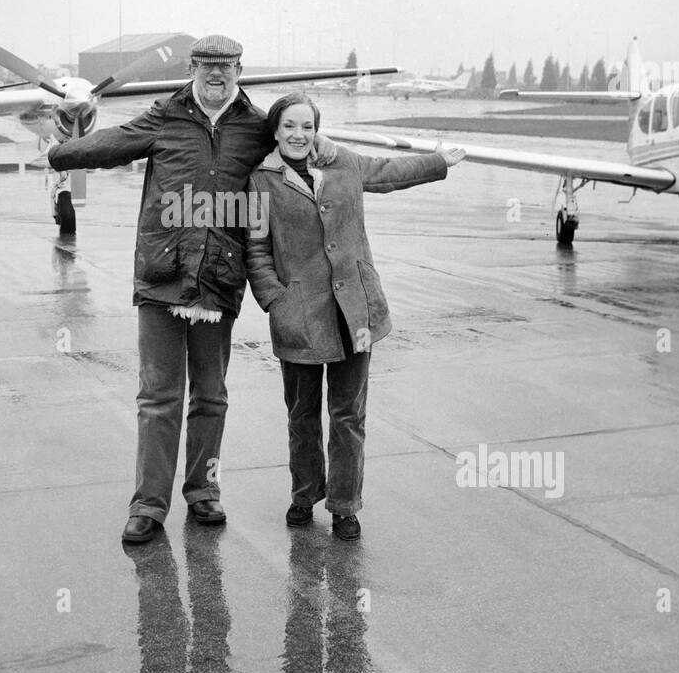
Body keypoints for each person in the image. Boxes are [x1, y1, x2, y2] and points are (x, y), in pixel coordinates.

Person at [47, 36, 337, 544]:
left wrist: (328, 149)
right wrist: (60, 154)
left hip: (219, 280)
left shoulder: (257, 126)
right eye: (207, 67)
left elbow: (299, 143)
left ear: (240, 70)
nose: (217, 76)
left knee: (210, 396)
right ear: (193, 69)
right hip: (161, 275)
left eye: (226, 68)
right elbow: (113, 143)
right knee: (158, 396)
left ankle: (204, 491)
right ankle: (148, 505)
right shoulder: (165, 117)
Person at [245, 92, 464, 540]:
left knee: (348, 415)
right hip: (299, 315)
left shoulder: (342, 163)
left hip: (354, 311)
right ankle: (304, 494)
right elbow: (255, 248)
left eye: (306, 126)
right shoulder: (260, 181)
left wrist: (437, 162)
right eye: (289, 126)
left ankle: (345, 505)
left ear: (317, 129)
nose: (298, 135)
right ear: (275, 130)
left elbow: (387, 173)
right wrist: (275, 299)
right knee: (302, 413)